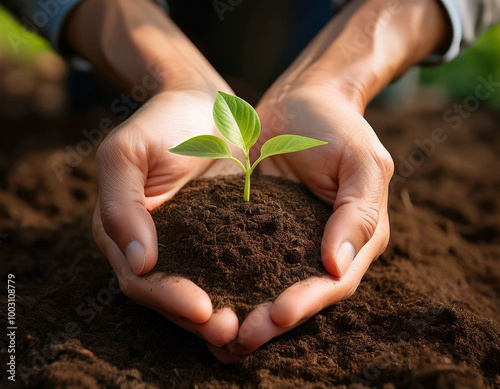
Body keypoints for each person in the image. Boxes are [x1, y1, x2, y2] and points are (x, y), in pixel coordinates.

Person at [2, 0, 499, 362]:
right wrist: (175, 78)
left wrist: (337, 83)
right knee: (104, 102)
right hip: (124, 57)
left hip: (344, 27)